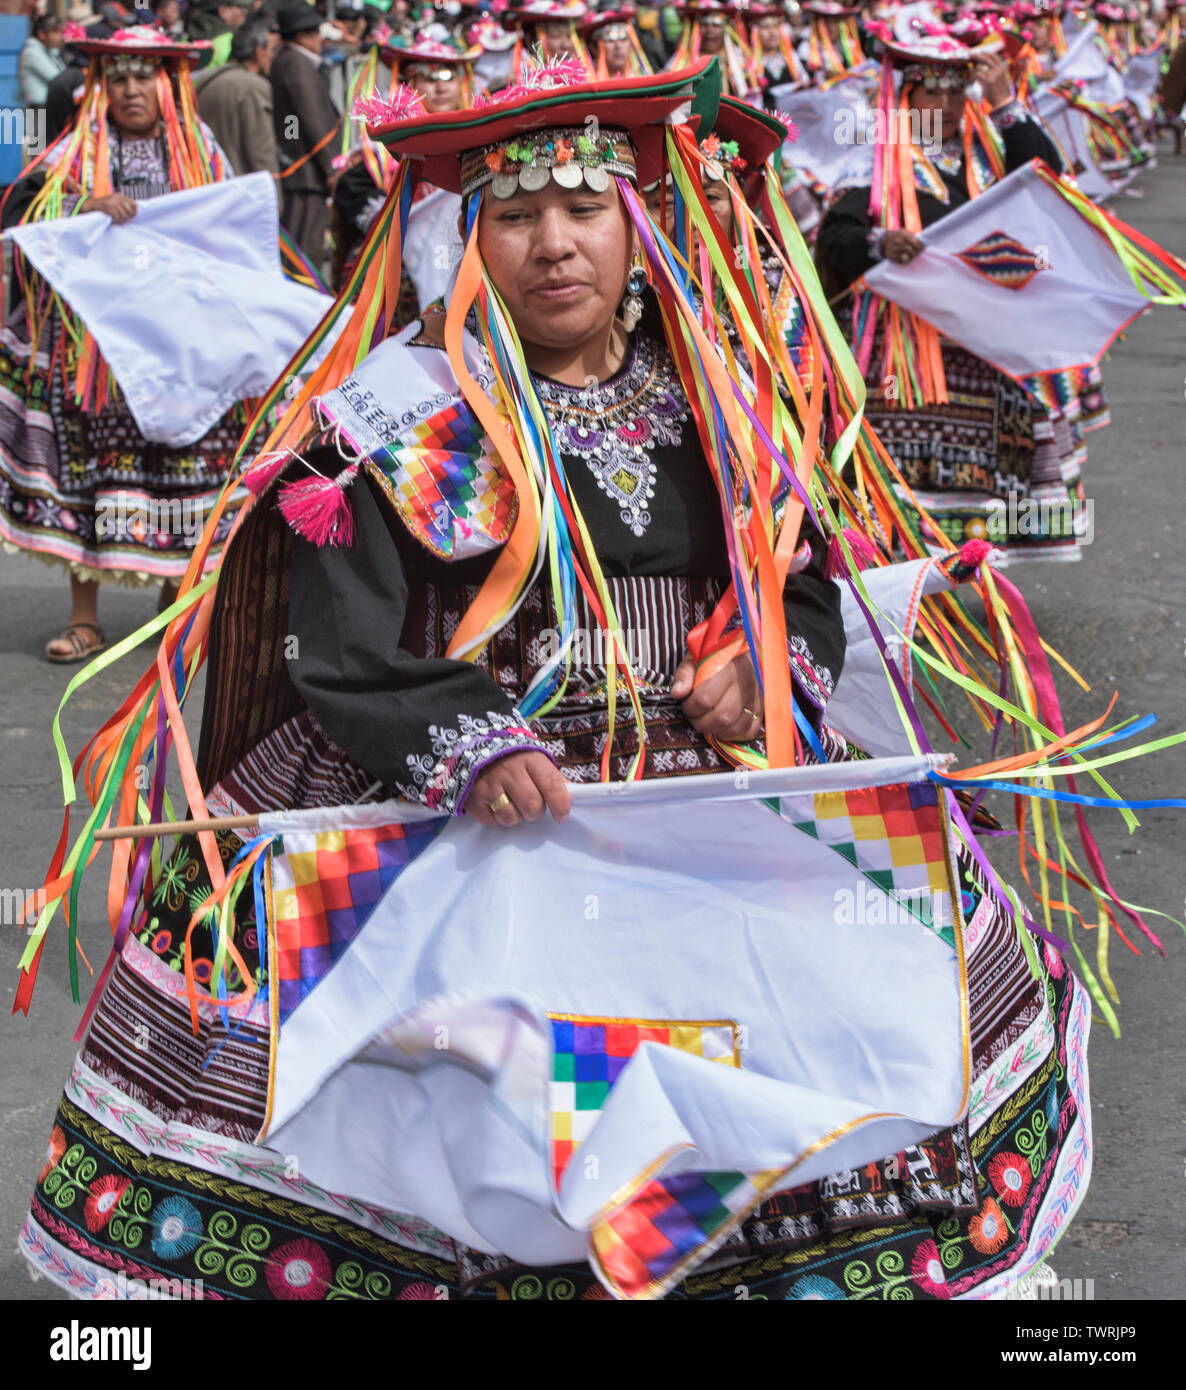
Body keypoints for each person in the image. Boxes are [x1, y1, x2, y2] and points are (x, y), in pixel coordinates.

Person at [16, 58, 1106, 1302]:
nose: (552, 245)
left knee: (784, 1057)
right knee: (484, 1105)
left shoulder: (721, 394)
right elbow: (344, 639)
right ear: (471, 235)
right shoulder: (393, 411)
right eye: (516, 215)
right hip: (472, 791)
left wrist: (767, 654)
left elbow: (800, 566)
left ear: (635, 223)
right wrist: (469, 743)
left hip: (705, 797)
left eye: (581, 209)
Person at [0, 27, 241, 661]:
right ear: (99, 88)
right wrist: (84, 206)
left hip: (177, 349)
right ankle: (85, 618)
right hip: (95, 355)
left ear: (169, 86)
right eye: (119, 78)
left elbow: (231, 235)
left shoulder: (202, 153)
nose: (131, 90)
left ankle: (173, 607)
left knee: (181, 471)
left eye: (144, 77)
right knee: (90, 474)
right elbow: (22, 222)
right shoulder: (74, 157)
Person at [815, 29, 1085, 560]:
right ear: (906, 98)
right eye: (929, 93)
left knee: (990, 470)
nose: (943, 105)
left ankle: (979, 563)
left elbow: (1052, 186)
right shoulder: (876, 160)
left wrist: (1005, 101)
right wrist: (882, 242)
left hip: (986, 351)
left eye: (955, 92)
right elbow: (832, 241)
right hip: (907, 357)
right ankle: (902, 575)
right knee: (899, 475)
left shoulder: (989, 152)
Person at [271, 0, 342, 266]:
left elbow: (293, 122)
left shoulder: (286, 61)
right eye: (315, 33)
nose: (320, 40)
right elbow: (312, 118)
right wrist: (332, 166)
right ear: (302, 35)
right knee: (304, 251)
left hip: (300, 167)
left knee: (300, 244)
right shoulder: (296, 63)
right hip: (306, 173)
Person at [195, 18, 281, 175]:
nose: (272, 56)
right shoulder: (254, 87)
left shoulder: (204, 79)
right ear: (258, 52)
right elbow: (262, 152)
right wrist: (273, 193)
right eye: (271, 49)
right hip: (243, 185)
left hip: (210, 181)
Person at [19, 13, 66, 108]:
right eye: (55, 32)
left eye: (60, 32)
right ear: (41, 34)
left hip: (47, 107)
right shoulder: (32, 52)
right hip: (37, 108)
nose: (59, 36)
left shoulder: (48, 51)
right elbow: (57, 78)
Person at [185, 0, 251, 66]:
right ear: (223, 11)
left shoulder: (195, 29)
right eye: (242, 10)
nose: (245, 13)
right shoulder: (228, 39)